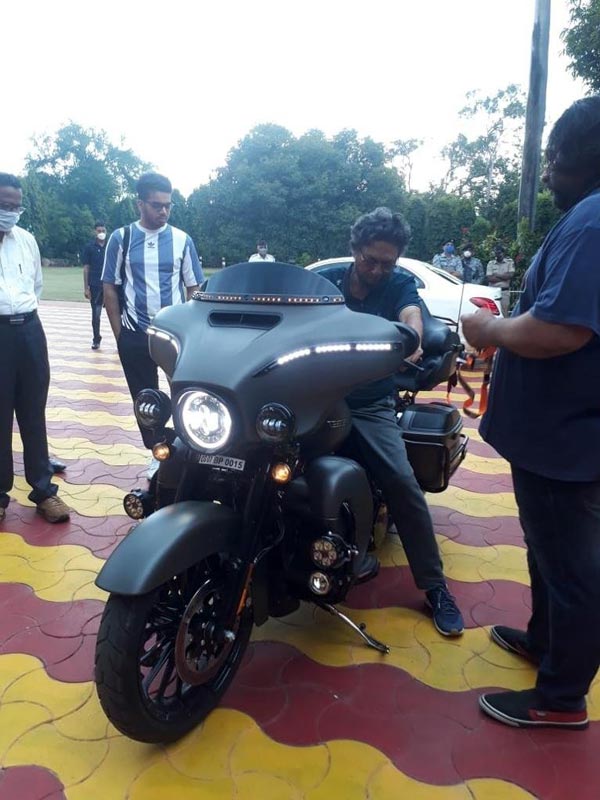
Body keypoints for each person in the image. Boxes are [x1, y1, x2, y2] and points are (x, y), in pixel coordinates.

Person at [461, 96, 600, 730]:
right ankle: (545, 642)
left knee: (570, 566)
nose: (546, 169)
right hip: (553, 437)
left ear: (584, 156)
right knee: (546, 553)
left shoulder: (594, 222)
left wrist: (485, 327)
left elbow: (558, 331)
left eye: (554, 156)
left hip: (565, 439)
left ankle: (561, 697)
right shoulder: (584, 217)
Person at [318, 207, 464, 637]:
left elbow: (411, 316)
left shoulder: (399, 284)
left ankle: (435, 587)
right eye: (370, 260)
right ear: (355, 249)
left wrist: (411, 338)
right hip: (315, 397)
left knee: (402, 480)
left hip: (367, 402)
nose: (377, 269)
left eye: (387, 262)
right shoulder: (327, 284)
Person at [102, 173, 203, 477]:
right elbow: (109, 286)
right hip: (135, 334)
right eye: (157, 205)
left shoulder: (182, 240)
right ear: (140, 204)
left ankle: (191, 448)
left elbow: (193, 288)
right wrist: (121, 334)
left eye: (168, 206)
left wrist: (191, 330)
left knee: (185, 393)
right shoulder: (122, 238)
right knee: (146, 400)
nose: (163, 212)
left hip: (173, 337)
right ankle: (159, 451)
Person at [0, 173, 71, 524]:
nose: (10, 212)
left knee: (33, 412)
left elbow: (36, 287)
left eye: (15, 206)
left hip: (29, 331)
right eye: (4, 205)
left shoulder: (26, 240)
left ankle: (43, 490)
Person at [82, 220, 108, 349]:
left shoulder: (111, 246)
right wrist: (86, 288)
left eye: (103, 231)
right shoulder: (89, 247)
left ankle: (121, 340)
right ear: (94, 232)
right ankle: (96, 339)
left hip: (111, 286)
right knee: (96, 315)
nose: (101, 233)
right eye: (99, 231)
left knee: (117, 314)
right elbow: (86, 268)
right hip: (95, 286)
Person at [486, 244, 515, 315]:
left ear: (503, 253)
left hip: (504, 292)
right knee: (492, 314)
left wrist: (496, 275)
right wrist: (503, 277)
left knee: (504, 313)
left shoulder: (509, 262)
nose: (498, 255)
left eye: (499, 252)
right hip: (492, 292)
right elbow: (489, 278)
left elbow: (510, 275)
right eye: (496, 253)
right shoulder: (491, 263)